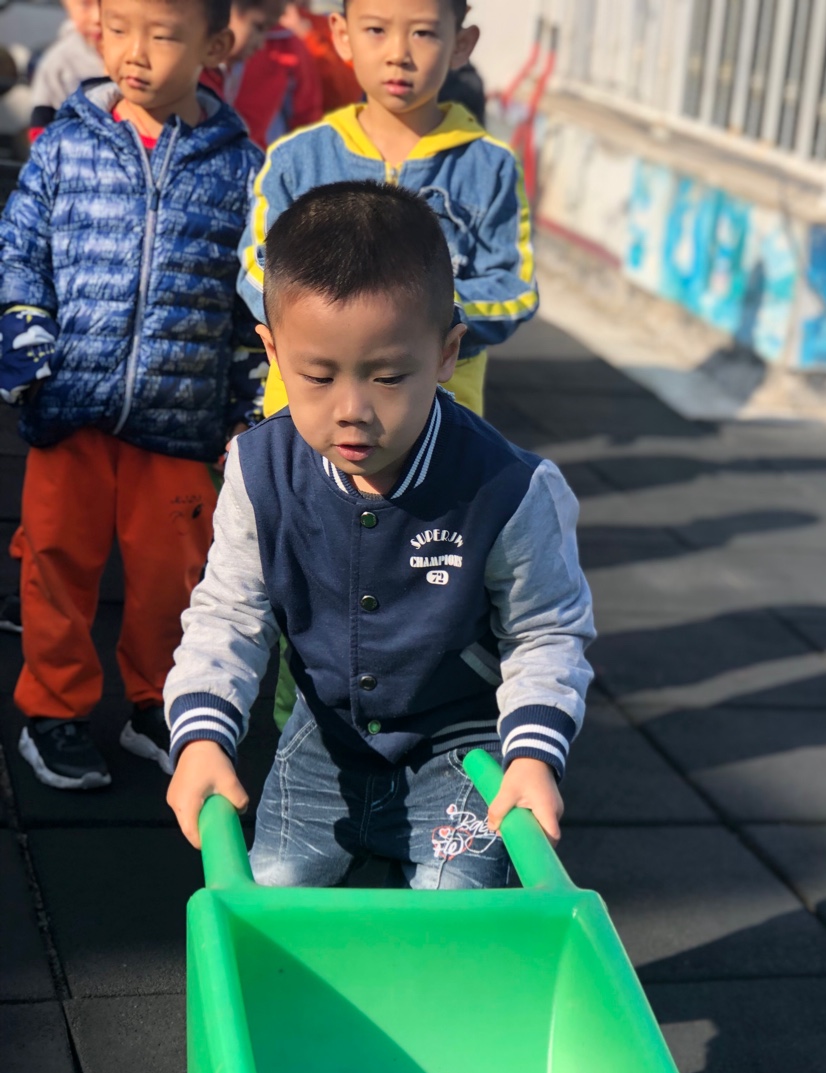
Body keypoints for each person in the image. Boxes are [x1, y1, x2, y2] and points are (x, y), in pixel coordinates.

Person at [164, 182, 593, 889]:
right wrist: (203, 734)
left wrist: (532, 754)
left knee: (456, 922)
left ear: (447, 353)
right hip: (325, 742)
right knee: (274, 902)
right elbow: (229, 612)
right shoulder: (260, 470)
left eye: (389, 376)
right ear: (272, 350)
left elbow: (545, 629)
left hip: (460, 750)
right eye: (317, 376)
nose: (353, 409)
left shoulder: (509, 490)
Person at [0, 0, 264, 790]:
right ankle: (53, 711)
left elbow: (251, 299)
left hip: (182, 419)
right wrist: (24, 337)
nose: (134, 52)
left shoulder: (241, 167)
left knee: (174, 579)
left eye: (162, 34)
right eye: (117, 28)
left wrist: (248, 406)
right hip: (70, 405)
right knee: (55, 564)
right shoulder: (67, 142)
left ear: (216, 45)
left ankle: (157, 703)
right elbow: (19, 249)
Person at [237, 0, 537, 423]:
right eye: (377, 30)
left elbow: (514, 290)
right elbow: (255, 267)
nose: (399, 53)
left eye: (423, 33)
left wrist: (424, 317)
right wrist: (326, 319)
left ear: (461, 44)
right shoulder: (297, 159)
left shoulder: (490, 167)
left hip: (439, 417)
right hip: (306, 418)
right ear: (343, 35)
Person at [222, 0, 322, 151]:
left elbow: (307, 117)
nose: (261, 43)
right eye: (259, 27)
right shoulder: (195, 56)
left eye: (266, 29)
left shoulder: (289, 46)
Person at [28, 0, 104, 137]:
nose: (97, 17)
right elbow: (41, 134)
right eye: (85, 4)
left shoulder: (136, 54)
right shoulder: (57, 64)